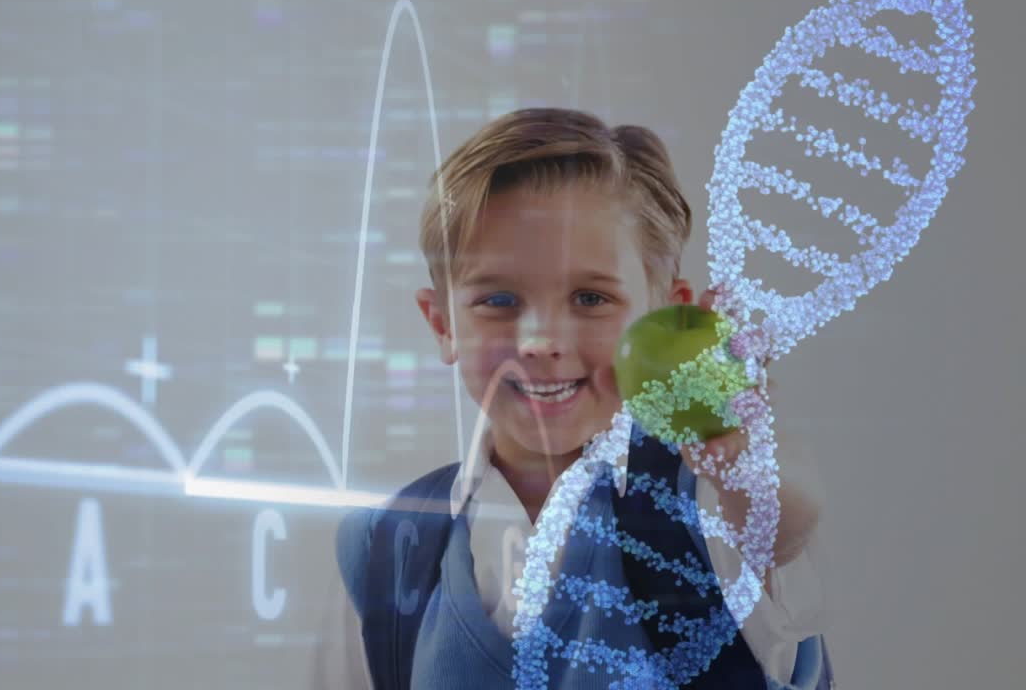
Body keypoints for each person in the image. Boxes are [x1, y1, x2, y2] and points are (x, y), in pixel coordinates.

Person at [311, 108, 831, 688]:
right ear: (442, 324)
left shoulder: (711, 503)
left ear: (667, 316)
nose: (540, 341)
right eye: (498, 300)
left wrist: (741, 459)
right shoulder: (384, 548)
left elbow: (780, 525)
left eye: (589, 298)